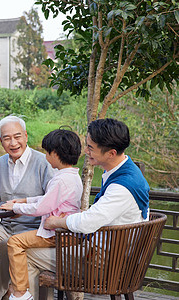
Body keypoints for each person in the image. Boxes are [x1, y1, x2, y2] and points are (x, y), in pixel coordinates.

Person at [26, 118, 150, 300]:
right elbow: (98, 215)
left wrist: (56, 221)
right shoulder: (128, 171)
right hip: (118, 258)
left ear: (111, 153)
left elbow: (87, 222)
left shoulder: (122, 187)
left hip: (105, 265)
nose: (86, 151)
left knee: (27, 254)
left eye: (91, 148)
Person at [0, 115, 54, 300]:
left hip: (33, 230)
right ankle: (5, 291)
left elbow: (52, 200)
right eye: (7, 138)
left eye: (17, 136)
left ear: (26, 136)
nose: (13, 143)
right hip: (6, 227)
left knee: (7, 247)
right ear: (1, 141)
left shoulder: (43, 163)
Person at [0, 129, 82, 300]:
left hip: (55, 233)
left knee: (15, 242)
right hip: (64, 232)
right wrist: (24, 201)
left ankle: (20, 292)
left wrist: (16, 209)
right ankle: (22, 291)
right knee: (19, 243)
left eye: (47, 152)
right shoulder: (72, 176)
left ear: (56, 154)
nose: (45, 156)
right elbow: (47, 199)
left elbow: (42, 208)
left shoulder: (60, 179)